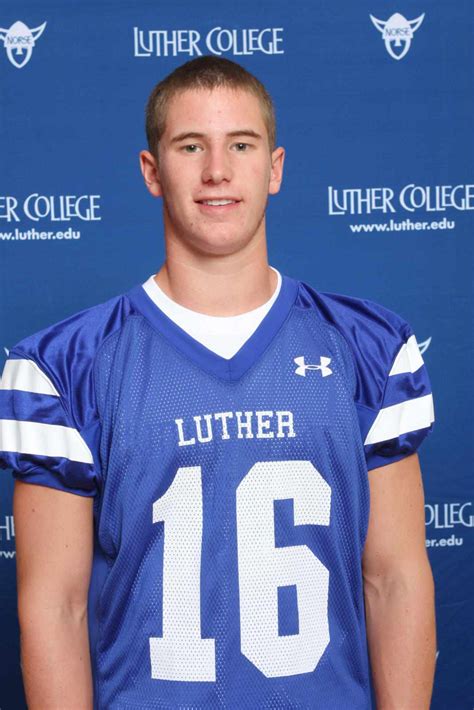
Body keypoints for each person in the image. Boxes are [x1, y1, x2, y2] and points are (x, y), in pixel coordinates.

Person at [0, 56, 436, 709]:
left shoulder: (368, 348)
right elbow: (54, 608)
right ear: (152, 171)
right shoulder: (66, 366)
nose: (217, 171)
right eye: (190, 146)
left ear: (276, 166)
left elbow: (394, 578)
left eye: (240, 144)